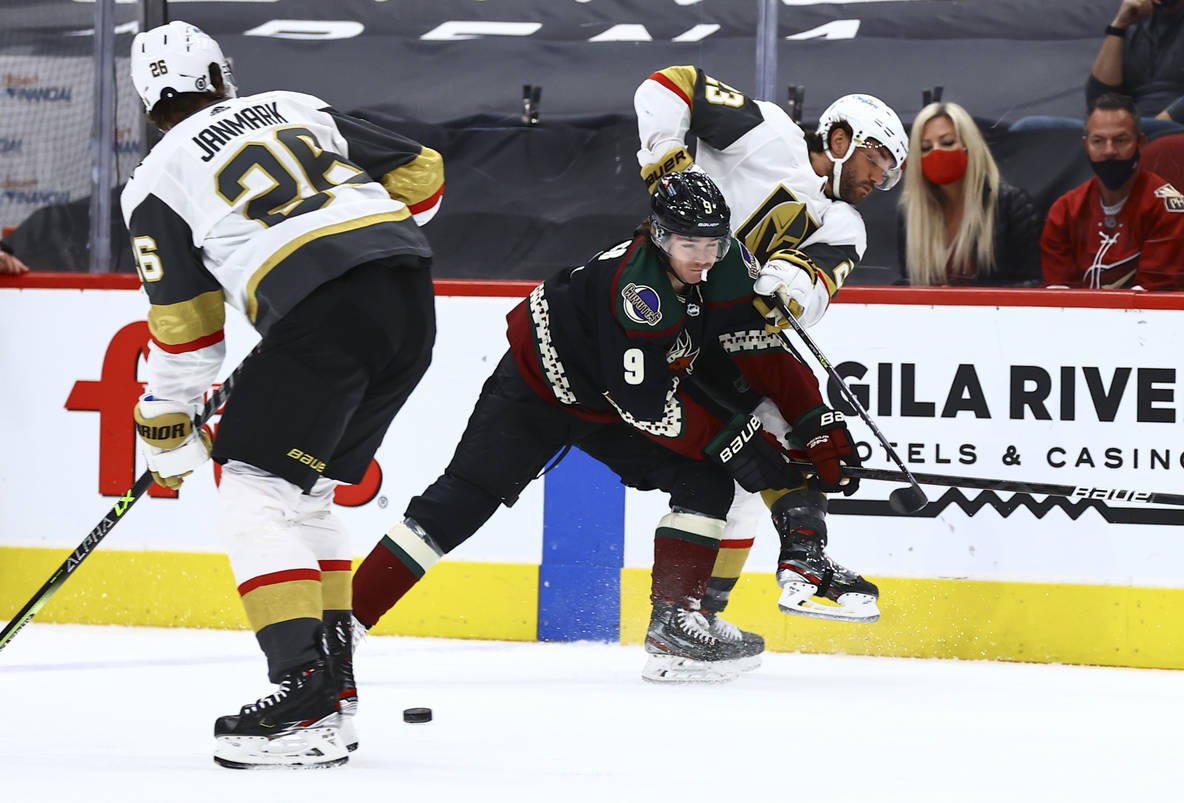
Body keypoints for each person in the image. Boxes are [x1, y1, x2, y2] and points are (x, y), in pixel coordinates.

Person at [351, 172, 851, 683]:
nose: (702, 256)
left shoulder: (727, 262)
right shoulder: (640, 291)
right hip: (537, 393)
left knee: (706, 477)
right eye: (687, 243)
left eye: (711, 242)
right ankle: (343, 626)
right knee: (459, 503)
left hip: (608, 400)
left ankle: (675, 625)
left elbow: (760, 350)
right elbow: (648, 406)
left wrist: (816, 420)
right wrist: (735, 440)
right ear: (659, 236)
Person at [123, 21, 444, 768]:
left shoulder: (155, 180)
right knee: (310, 495)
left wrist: (164, 424)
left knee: (253, 491)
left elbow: (187, 332)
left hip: (323, 315)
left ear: (149, 104)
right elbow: (423, 172)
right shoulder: (293, 104)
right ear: (221, 77)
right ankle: (335, 689)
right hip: (408, 293)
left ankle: (304, 696)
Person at [633, 66, 903, 632]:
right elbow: (669, 83)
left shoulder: (843, 223)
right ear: (839, 137)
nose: (880, 175)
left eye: (889, 169)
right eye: (876, 157)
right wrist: (666, 154)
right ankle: (689, 613)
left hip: (722, 343)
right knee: (736, 467)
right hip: (652, 307)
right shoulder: (769, 132)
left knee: (769, 465)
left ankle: (706, 613)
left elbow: (816, 287)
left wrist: (790, 287)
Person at [1041, 92, 1184, 289]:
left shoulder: (1168, 211)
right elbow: (1058, 301)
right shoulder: (1064, 211)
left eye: (1120, 140)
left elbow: (1154, 305)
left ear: (1140, 143)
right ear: (1086, 146)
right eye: (1098, 141)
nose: (1109, 150)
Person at [897, 101, 1043, 286]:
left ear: (970, 145)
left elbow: (1034, 285)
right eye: (926, 148)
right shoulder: (911, 212)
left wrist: (969, 300)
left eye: (947, 142)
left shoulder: (1011, 204)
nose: (937, 153)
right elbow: (908, 282)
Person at [1090, 0, 1184, 131]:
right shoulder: (1135, 20)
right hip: (1128, 133)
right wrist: (1119, 26)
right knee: (1063, 130)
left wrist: (1136, 134)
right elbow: (1099, 102)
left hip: (1180, 135)